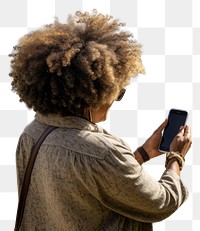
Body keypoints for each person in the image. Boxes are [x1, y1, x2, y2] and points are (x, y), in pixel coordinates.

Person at [10, 10, 192, 231]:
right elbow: (160, 203)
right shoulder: (104, 152)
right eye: (116, 92)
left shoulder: (32, 133)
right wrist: (176, 158)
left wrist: (142, 154)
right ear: (93, 95)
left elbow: (88, 183)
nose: (115, 100)